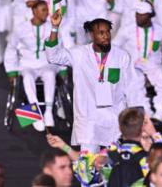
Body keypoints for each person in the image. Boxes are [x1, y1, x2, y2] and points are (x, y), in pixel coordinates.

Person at [45, 12, 148, 151]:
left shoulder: (121, 56)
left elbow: (131, 86)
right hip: (89, 118)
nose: (106, 36)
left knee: (112, 165)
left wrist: (137, 113)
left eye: (107, 32)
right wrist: (54, 28)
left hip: (114, 117)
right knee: (88, 166)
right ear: (92, 35)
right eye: (101, 32)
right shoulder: (79, 54)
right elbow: (54, 56)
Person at [46, 107, 162, 186]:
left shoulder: (113, 153)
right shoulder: (116, 153)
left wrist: (65, 147)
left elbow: (86, 166)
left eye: (149, 138)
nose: (148, 142)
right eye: (145, 138)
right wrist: (154, 134)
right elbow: (88, 164)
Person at [113, 1, 162, 120]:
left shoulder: (161, 31)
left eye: (142, 14)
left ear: (150, 16)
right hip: (133, 64)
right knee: (136, 82)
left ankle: (159, 113)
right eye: (137, 13)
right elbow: (114, 46)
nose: (138, 16)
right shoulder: (126, 30)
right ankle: (147, 114)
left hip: (154, 64)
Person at [4, 0, 60, 132]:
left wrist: (62, 67)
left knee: (50, 75)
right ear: (34, 11)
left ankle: (48, 112)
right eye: (43, 10)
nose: (46, 13)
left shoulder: (52, 27)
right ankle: (34, 115)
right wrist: (11, 71)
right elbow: (11, 49)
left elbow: (59, 47)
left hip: (46, 62)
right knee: (27, 78)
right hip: (27, 63)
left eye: (47, 10)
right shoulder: (21, 28)